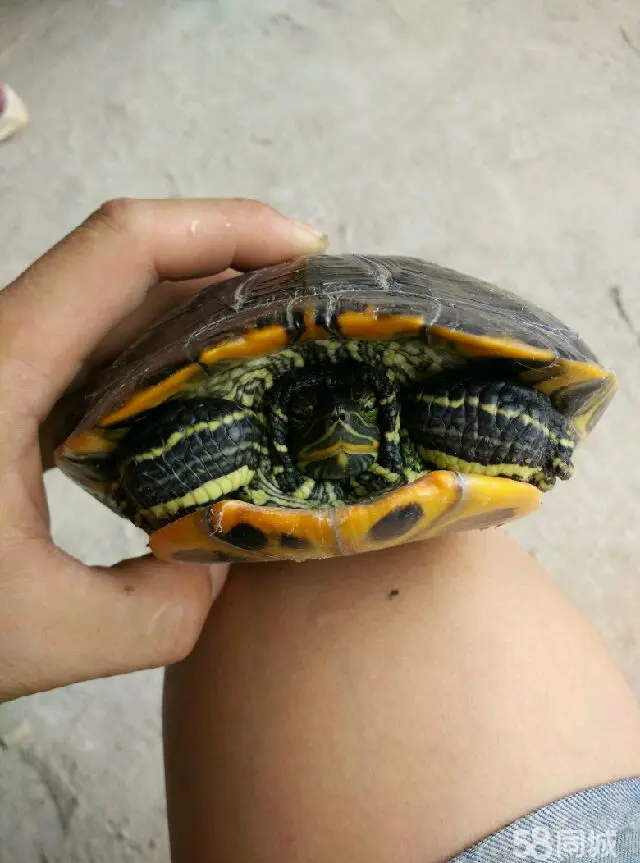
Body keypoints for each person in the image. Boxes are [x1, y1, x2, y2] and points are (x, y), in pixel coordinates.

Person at [1, 197, 639, 862]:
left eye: (361, 408)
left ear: (385, 406)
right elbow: (144, 463)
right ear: (278, 414)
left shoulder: (417, 401)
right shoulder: (244, 424)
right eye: (310, 409)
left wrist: (528, 436)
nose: (341, 425)